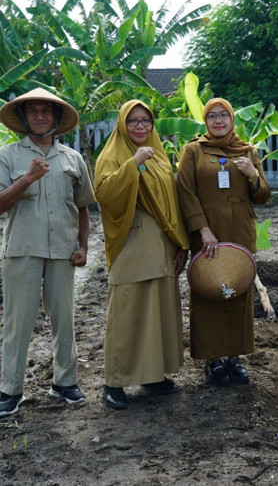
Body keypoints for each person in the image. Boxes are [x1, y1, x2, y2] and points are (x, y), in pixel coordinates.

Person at [0, 88, 96, 417]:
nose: (40, 116)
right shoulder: (8, 155)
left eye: (46, 111)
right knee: (18, 322)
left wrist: (83, 245)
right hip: (22, 250)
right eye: (33, 111)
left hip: (63, 252)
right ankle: (10, 389)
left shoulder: (73, 159)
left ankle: (65, 382)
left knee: (64, 319)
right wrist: (27, 178)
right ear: (24, 118)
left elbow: (83, 207)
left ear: (56, 119)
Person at [94, 100, 189, 409]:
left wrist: (180, 243)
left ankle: (152, 376)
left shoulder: (160, 155)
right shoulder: (113, 155)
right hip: (130, 244)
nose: (140, 126)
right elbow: (105, 194)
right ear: (123, 124)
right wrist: (132, 164)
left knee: (157, 312)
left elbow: (172, 203)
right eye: (133, 121)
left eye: (145, 121)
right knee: (127, 313)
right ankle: (115, 381)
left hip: (161, 245)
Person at [177, 98, 270, 386]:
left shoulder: (247, 151)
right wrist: (202, 229)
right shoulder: (194, 150)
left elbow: (263, 196)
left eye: (223, 116)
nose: (218, 121)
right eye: (212, 116)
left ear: (232, 120)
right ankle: (212, 358)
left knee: (237, 291)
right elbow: (185, 192)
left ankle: (234, 357)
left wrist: (253, 174)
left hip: (240, 232)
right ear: (205, 122)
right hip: (208, 234)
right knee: (208, 289)